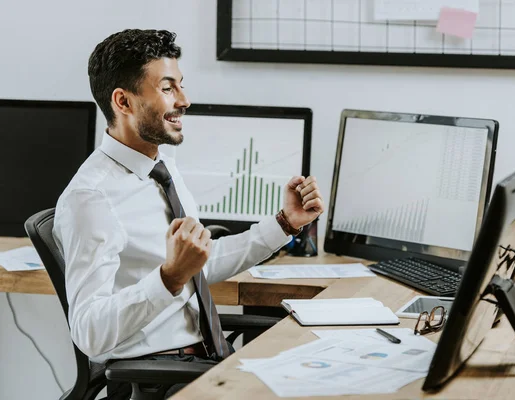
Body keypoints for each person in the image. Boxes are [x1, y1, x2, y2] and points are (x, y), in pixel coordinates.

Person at [53, 29, 324, 399]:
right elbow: (89, 333)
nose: (185, 100)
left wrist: (284, 223)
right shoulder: (91, 197)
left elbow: (202, 266)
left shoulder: (161, 164)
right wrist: (170, 277)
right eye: (168, 88)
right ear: (124, 102)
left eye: (181, 85)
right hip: (164, 376)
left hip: (206, 361)